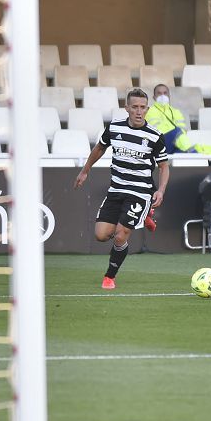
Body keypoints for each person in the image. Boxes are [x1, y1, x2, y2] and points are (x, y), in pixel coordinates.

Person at [74, 88, 169, 290]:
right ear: (126, 108)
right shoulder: (115, 128)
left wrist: (160, 190)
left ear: (147, 109)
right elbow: (100, 147)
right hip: (116, 190)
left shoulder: (154, 136)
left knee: (120, 234)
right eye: (134, 107)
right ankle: (145, 216)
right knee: (101, 235)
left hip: (140, 192)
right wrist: (85, 170)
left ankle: (110, 276)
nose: (138, 111)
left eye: (142, 107)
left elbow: (163, 166)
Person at [144, 84, 211, 154]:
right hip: (159, 143)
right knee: (177, 131)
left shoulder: (176, 112)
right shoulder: (150, 111)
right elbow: (158, 130)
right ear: (154, 97)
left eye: (165, 93)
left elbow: (183, 129)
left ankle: (199, 155)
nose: (162, 96)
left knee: (185, 154)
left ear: (169, 96)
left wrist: (176, 137)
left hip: (174, 144)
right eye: (159, 93)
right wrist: (174, 132)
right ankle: (192, 150)